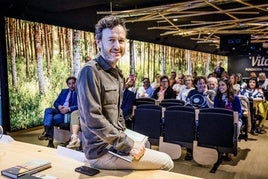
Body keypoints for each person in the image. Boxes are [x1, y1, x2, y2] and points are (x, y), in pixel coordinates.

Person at [76, 15, 173, 170]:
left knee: (144, 145)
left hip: (113, 145)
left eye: (121, 41)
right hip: (100, 152)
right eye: (111, 40)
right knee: (167, 161)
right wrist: (127, 144)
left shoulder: (117, 74)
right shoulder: (90, 71)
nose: (117, 45)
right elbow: (92, 118)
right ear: (98, 42)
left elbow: (117, 112)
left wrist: (128, 137)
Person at [38, 76, 78, 148]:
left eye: (73, 83)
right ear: (67, 85)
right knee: (48, 110)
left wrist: (68, 109)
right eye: (69, 84)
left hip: (67, 113)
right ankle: (47, 132)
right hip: (59, 109)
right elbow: (55, 102)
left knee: (52, 119)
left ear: (76, 83)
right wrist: (59, 106)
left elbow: (79, 105)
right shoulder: (64, 91)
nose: (71, 85)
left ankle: (48, 137)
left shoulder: (79, 93)